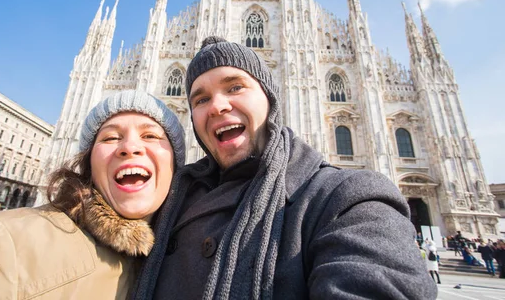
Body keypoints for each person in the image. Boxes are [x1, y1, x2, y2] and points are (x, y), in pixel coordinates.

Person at [134, 37, 437, 299]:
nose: (218, 105)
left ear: (270, 98)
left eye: (235, 87)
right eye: (200, 98)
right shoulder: (167, 199)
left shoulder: (344, 199)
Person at [0, 90, 185, 299]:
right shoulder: (4, 245)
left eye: (151, 136)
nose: (130, 147)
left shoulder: (183, 252)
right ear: (88, 163)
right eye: (110, 137)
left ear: (176, 166)